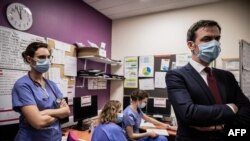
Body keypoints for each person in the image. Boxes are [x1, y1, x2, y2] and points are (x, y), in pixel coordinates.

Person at [166, 20, 250, 141]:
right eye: (207, 39)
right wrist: (231, 108)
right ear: (191, 45)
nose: (214, 43)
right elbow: (189, 114)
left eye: (217, 39)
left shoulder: (227, 77)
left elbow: (247, 110)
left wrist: (223, 127)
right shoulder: (176, 76)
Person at [12, 42, 70, 141]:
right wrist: (59, 113)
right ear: (29, 59)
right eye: (42, 57)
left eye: (48, 57)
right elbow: (38, 122)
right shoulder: (22, 85)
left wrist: (46, 112)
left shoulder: (52, 85)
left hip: (54, 137)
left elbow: (67, 111)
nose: (46, 61)